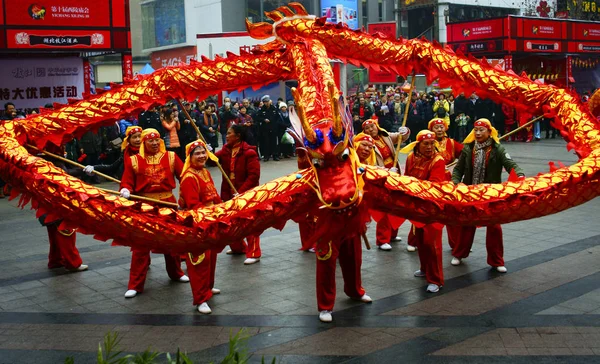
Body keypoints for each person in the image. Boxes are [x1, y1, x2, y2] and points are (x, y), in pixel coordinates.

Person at [119, 128, 189, 298]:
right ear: (144, 142)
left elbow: (186, 176)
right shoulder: (134, 160)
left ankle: (176, 273)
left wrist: (187, 198)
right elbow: (126, 181)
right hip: (145, 205)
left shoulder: (171, 157)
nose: (155, 143)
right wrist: (126, 190)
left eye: (157, 139)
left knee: (171, 241)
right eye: (150, 140)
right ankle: (135, 284)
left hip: (168, 203)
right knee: (141, 245)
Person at [450, 119, 525, 273]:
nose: (478, 133)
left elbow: (511, 164)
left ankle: (496, 261)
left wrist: (520, 175)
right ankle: (459, 254)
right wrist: (456, 183)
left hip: (491, 194)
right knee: (466, 226)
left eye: (481, 130)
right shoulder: (468, 148)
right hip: (470, 193)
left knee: (494, 228)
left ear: (489, 132)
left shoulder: (498, 149)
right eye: (476, 130)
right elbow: (458, 170)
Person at [315, 132, 375, 323]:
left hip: (351, 219)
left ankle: (355, 291)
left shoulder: (356, 164)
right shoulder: (318, 163)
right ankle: (325, 306)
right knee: (326, 263)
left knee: (354, 259)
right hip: (328, 222)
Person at [179, 140, 222, 314]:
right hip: (197, 224)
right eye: (197, 153)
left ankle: (208, 288)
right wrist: (210, 214)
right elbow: (193, 204)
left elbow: (214, 195)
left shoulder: (204, 172)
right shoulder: (189, 177)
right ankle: (200, 298)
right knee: (198, 262)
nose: (202, 156)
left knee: (210, 258)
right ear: (190, 157)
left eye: (203, 152)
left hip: (211, 221)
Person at [400, 130, 446, 293]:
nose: (429, 147)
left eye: (432, 143)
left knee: (432, 244)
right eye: (426, 144)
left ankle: (436, 279)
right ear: (418, 144)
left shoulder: (438, 161)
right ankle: (425, 269)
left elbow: (435, 185)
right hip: (417, 207)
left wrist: (415, 188)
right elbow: (406, 178)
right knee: (420, 240)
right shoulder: (411, 157)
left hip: (432, 208)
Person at [215, 124, 261, 264]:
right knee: (231, 221)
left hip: (245, 193)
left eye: (229, 133)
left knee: (249, 223)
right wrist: (203, 150)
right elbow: (213, 160)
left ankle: (254, 253)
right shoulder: (225, 150)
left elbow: (254, 176)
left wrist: (241, 192)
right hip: (229, 191)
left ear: (238, 136)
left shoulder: (249, 152)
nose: (226, 136)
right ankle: (238, 247)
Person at [361, 118, 410, 251]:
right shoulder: (365, 144)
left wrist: (405, 132)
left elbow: (401, 137)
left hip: (395, 175)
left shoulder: (385, 136)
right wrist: (386, 171)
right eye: (368, 128)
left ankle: (393, 234)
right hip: (381, 178)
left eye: (373, 126)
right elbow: (369, 165)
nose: (371, 129)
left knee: (396, 206)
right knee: (384, 209)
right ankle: (382, 239)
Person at [427, 118, 463, 249]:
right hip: (432, 181)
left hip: (449, 182)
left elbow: (465, 153)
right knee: (427, 212)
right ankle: (415, 240)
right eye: (436, 127)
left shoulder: (452, 143)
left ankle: (455, 244)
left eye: (441, 126)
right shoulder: (427, 144)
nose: (439, 129)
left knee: (451, 213)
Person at [256, 95, 280, 161]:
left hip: (273, 128)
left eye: (267, 101)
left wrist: (275, 124)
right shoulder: (261, 109)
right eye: (264, 102)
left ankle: (275, 155)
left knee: (274, 142)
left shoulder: (274, 108)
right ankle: (266, 156)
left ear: (269, 101)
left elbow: (277, 117)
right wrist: (264, 120)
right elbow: (258, 118)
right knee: (266, 142)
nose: (266, 103)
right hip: (265, 128)